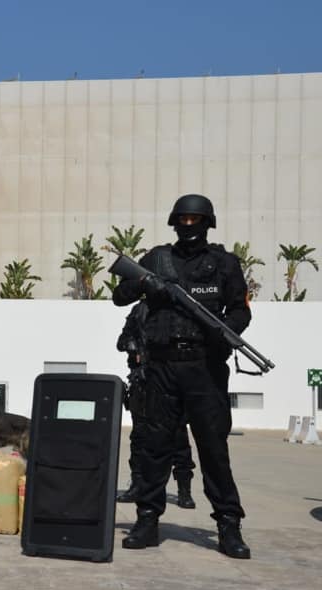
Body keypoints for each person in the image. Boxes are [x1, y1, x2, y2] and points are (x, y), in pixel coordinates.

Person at [113, 194, 251, 559]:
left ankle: (228, 524)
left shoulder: (224, 264)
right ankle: (147, 519)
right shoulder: (157, 259)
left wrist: (225, 332)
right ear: (175, 223)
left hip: (205, 368)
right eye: (183, 220)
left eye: (195, 220)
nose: (188, 226)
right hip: (161, 368)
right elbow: (119, 295)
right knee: (155, 448)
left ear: (207, 224)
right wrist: (145, 286)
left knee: (213, 449)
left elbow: (241, 311)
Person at [116, 300, 196, 509]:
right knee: (139, 437)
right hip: (143, 382)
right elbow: (122, 340)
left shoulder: (178, 307)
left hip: (171, 382)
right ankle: (137, 485)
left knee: (178, 437)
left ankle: (184, 490)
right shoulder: (139, 310)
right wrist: (133, 346)